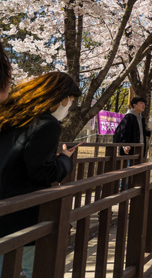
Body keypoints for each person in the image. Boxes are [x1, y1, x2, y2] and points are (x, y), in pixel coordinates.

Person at [0, 71, 82, 277]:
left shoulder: (11, 115)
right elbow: (43, 173)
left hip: (3, 204)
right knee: (31, 268)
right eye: (70, 101)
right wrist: (64, 160)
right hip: (23, 210)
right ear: (61, 98)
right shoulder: (48, 124)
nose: (69, 107)